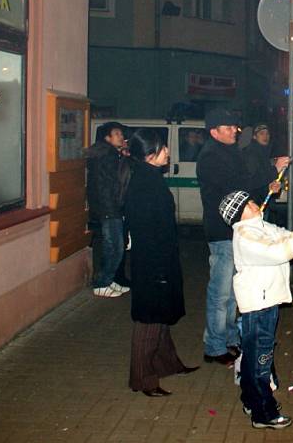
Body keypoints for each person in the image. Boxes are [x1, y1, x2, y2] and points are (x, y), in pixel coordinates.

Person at [196, 108, 289, 366]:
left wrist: (265, 187)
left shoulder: (228, 151)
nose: (234, 131)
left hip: (237, 229)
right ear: (214, 132)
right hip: (222, 231)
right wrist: (271, 170)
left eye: (234, 127)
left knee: (234, 291)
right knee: (221, 292)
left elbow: (244, 187)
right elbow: (236, 185)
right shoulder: (211, 157)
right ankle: (214, 347)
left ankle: (230, 339)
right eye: (227, 128)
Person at [218, 190, 293, 429]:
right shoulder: (246, 235)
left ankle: (252, 400)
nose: (255, 203)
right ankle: (263, 413)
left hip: (267, 300)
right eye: (249, 203)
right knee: (260, 359)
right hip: (259, 305)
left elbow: (287, 239)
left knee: (254, 357)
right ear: (240, 213)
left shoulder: (260, 227)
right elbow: (279, 252)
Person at [121, 129, 198, 397]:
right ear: (151, 154)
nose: (168, 152)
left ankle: (168, 363)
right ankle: (142, 379)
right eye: (164, 148)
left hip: (158, 259)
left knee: (160, 315)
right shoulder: (144, 184)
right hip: (152, 263)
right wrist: (160, 269)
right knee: (149, 320)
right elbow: (148, 230)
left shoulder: (149, 177)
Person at [86, 121, 131, 298]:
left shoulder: (109, 154)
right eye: (117, 134)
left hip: (109, 207)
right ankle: (102, 283)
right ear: (107, 138)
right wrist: (113, 208)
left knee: (113, 246)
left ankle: (109, 280)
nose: (121, 137)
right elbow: (109, 185)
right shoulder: (108, 155)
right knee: (115, 246)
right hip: (109, 208)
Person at [242, 123, 281, 214]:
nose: (265, 136)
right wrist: (275, 170)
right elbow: (252, 180)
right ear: (254, 137)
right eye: (261, 133)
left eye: (267, 133)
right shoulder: (251, 154)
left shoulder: (265, 152)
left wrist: (272, 186)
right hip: (254, 203)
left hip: (264, 201)